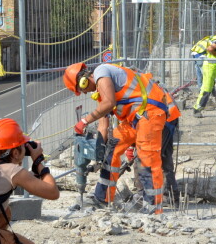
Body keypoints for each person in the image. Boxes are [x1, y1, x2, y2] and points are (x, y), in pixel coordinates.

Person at [63, 62, 179, 214]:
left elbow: (109, 103)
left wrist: (84, 122)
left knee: (147, 160)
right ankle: (102, 198)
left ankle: (152, 207)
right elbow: (103, 126)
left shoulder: (101, 72)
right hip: (136, 118)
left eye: (81, 89)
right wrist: (99, 153)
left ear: (83, 80)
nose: (84, 93)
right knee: (113, 146)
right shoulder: (102, 92)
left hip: (151, 113)